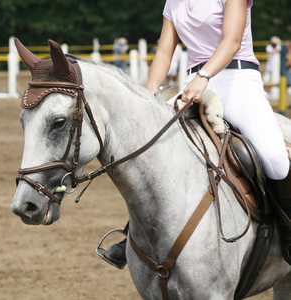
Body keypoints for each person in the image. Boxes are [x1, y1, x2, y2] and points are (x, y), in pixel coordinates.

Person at [101, 0, 291, 268]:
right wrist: (148, 94)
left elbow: (232, 40)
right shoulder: (173, 3)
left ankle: (287, 229)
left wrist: (203, 76)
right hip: (192, 84)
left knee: (276, 159)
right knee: (153, 151)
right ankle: (132, 232)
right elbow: (165, 51)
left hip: (236, 79)